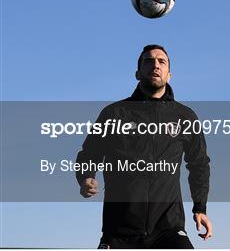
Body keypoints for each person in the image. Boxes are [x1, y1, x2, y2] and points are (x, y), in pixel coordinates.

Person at [76, 44, 213, 249]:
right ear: (137, 73)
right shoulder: (114, 113)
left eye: (161, 61)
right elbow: (89, 154)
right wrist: (86, 177)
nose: (155, 65)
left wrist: (200, 207)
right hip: (119, 231)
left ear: (169, 74)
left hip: (168, 230)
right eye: (148, 61)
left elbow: (199, 164)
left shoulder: (184, 116)